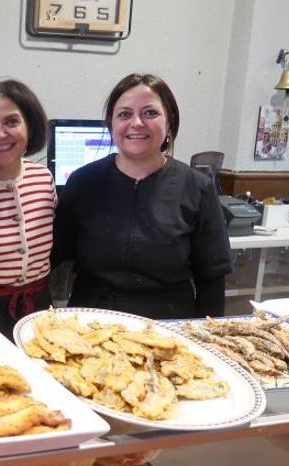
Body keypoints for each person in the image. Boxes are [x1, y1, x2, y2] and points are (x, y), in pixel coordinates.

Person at [52, 73, 232, 319]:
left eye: (150, 113)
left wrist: (206, 333)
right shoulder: (83, 182)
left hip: (168, 324)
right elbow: (54, 256)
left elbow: (212, 277)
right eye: (124, 114)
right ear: (111, 125)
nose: (136, 123)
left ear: (169, 123)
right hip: (91, 321)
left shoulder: (197, 187)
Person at [0, 79, 55, 340]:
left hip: (40, 308)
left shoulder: (43, 178)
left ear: (30, 125)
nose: (0, 134)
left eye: (12, 122)